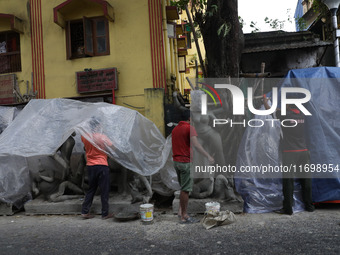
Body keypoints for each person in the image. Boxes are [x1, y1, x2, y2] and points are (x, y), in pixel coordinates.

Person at [263, 95, 315, 215]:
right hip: (303, 151)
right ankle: (309, 206)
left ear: (288, 105)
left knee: (288, 181)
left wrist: (265, 101)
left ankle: (288, 209)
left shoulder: (285, 115)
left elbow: (270, 110)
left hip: (290, 152)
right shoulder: (302, 115)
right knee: (306, 180)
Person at [172, 109, 214, 224]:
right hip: (185, 163)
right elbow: (196, 145)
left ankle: (181, 212)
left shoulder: (175, 129)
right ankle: (184, 216)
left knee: (183, 188)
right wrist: (208, 156)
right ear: (189, 118)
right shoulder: (189, 128)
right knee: (186, 190)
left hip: (176, 162)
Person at [81, 117, 114, 220]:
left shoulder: (85, 137)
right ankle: (105, 213)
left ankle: (85, 211)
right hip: (102, 165)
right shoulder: (102, 137)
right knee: (104, 190)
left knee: (91, 189)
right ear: (98, 126)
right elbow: (113, 147)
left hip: (90, 166)